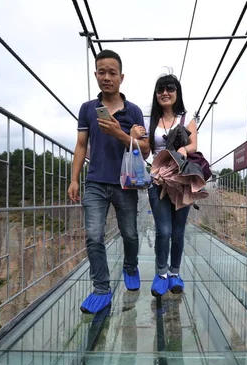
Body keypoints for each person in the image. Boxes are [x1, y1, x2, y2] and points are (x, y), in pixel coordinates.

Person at [68, 49, 149, 314]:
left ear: (121, 77)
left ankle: (130, 266)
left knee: (129, 233)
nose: (106, 77)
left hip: (126, 183)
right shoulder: (88, 109)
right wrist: (74, 179)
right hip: (95, 182)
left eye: (112, 72)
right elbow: (81, 145)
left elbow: (145, 150)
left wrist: (120, 133)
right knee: (93, 235)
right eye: (101, 72)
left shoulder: (134, 111)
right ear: (95, 74)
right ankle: (101, 288)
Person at [134, 74, 198, 297]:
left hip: (181, 180)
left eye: (170, 88)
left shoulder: (186, 118)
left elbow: (194, 145)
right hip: (158, 179)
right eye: (160, 89)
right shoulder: (150, 121)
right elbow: (146, 152)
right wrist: (136, 138)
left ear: (177, 92)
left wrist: (183, 150)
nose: (165, 93)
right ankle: (161, 274)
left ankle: (174, 273)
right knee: (164, 230)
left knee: (178, 232)